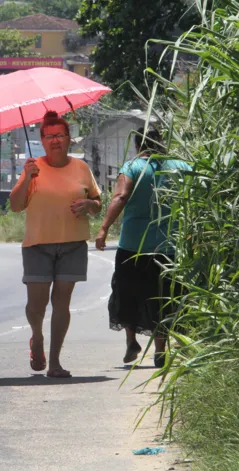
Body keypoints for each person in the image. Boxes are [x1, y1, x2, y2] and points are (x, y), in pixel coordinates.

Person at [10, 111, 102, 378]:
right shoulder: (33, 167)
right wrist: (27, 177)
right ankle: (36, 337)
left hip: (72, 244)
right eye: (49, 136)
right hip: (37, 245)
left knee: (62, 303)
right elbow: (16, 206)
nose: (55, 141)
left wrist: (89, 205)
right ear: (41, 140)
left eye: (59, 135)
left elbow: (97, 203)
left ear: (68, 138)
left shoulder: (81, 168)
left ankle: (55, 362)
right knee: (36, 305)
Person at [95, 127, 191, 368]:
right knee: (163, 296)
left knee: (128, 292)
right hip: (168, 247)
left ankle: (131, 341)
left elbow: (120, 197)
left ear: (138, 146)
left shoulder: (133, 167)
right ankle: (160, 350)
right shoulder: (180, 167)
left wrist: (104, 228)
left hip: (133, 246)